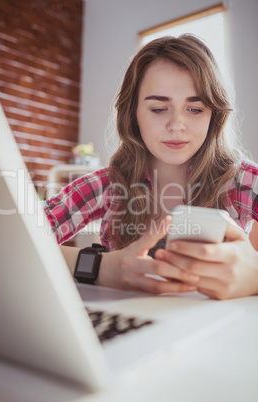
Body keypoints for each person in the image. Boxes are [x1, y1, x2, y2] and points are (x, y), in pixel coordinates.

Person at [43, 34, 258, 300]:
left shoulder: (245, 181)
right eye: (158, 108)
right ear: (133, 114)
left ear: (214, 115)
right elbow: (8, 241)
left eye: (195, 109)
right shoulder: (108, 184)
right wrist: (99, 267)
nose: (177, 125)